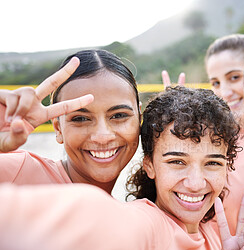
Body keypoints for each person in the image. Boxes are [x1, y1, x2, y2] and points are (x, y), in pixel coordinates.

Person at [0, 87, 244, 250]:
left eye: (212, 163)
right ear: (149, 165)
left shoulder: (213, 231)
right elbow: (96, 226)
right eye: (176, 161)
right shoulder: (150, 226)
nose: (195, 183)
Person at [163, 34, 244, 236]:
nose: (224, 91)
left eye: (234, 77)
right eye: (215, 83)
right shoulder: (211, 139)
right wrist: (171, 127)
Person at [0, 49, 141, 194]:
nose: (102, 137)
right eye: (80, 119)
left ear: (140, 118)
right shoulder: (20, 173)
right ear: (58, 128)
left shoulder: (137, 210)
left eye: (118, 116)